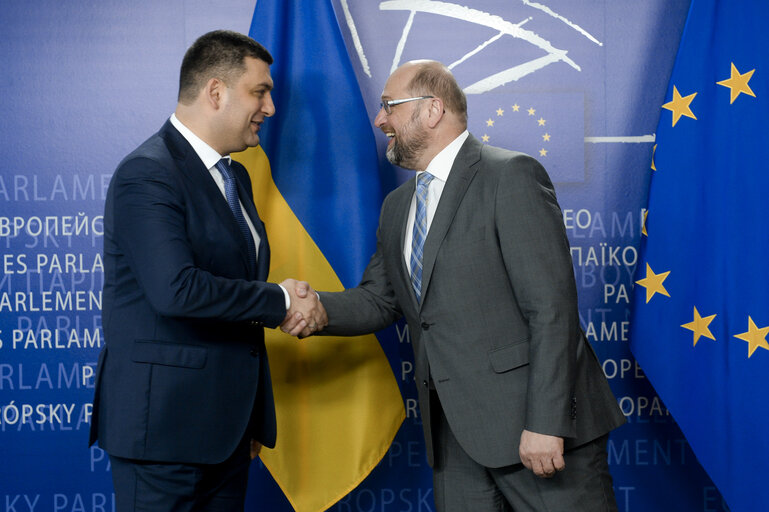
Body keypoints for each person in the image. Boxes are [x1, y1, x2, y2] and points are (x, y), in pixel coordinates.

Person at [286, 60, 625, 511]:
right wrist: (313, 309)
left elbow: (551, 309)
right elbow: (379, 299)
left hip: (538, 432)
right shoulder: (396, 207)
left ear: (432, 109)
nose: (379, 119)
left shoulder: (511, 176)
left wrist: (546, 423)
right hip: (455, 441)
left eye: (389, 106)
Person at [89, 30, 326, 511]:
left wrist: (248, 417)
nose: (270, 108)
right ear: (216, 92)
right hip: (163, 439)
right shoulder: (148, 172)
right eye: (260, 92)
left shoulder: (234, 175)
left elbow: (233, 286)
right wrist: (281, 301)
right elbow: (177, 290)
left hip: (227, 434)